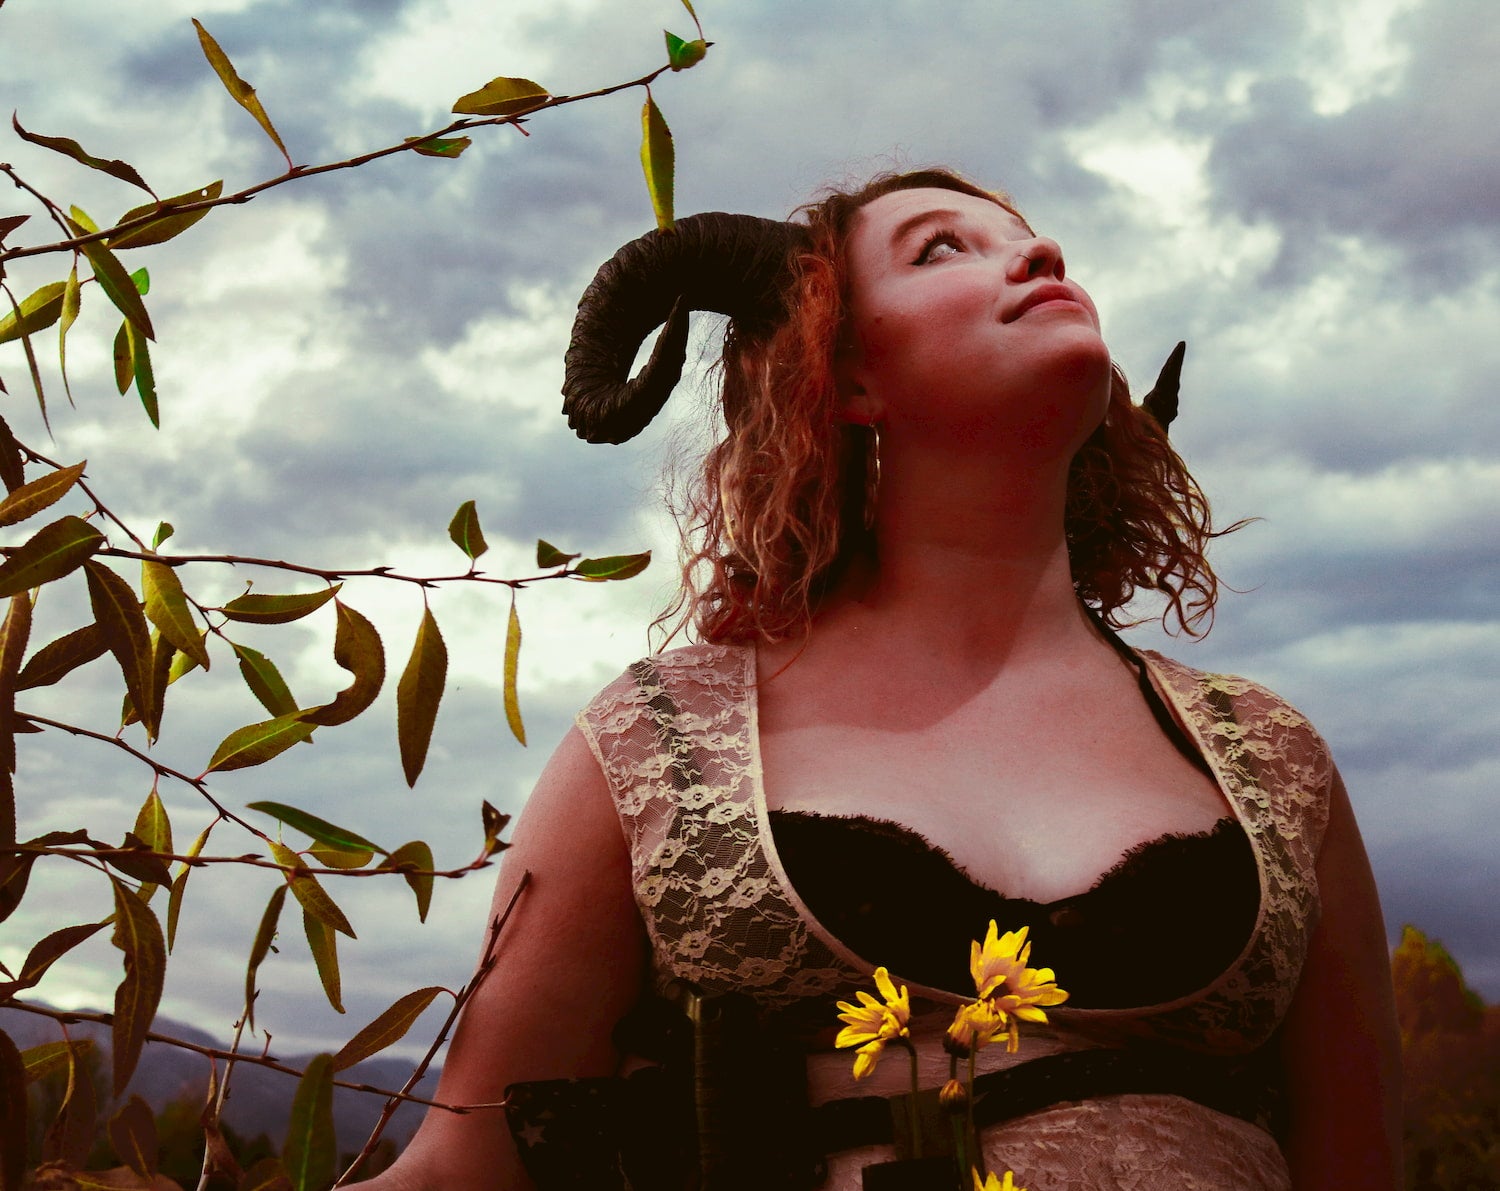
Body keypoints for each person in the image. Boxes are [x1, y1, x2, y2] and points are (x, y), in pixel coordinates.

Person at [369, 169, 1401, 1190]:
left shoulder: (1268, 755)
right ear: (849, 375)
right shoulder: (662, 737)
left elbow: (1360, 1168)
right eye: (943, 247)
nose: (1038, 256)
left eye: (1027, 241)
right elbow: (468, 1162)